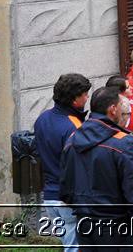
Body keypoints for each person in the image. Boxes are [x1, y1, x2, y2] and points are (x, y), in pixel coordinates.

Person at [59, 86, 133, 250]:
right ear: (113, 109)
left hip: (85, 222)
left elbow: (65, 185)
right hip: (117, 225)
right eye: (122, 109)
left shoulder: (72, 139)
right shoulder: (122, 142)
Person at [33, 73, 91, 252]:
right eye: (85, 94)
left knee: (67, 244)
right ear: (75, 100)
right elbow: (80, 166)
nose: (87, 97)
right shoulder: (74, 127)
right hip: (68, 199)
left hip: (50, 198)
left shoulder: (42, 119)